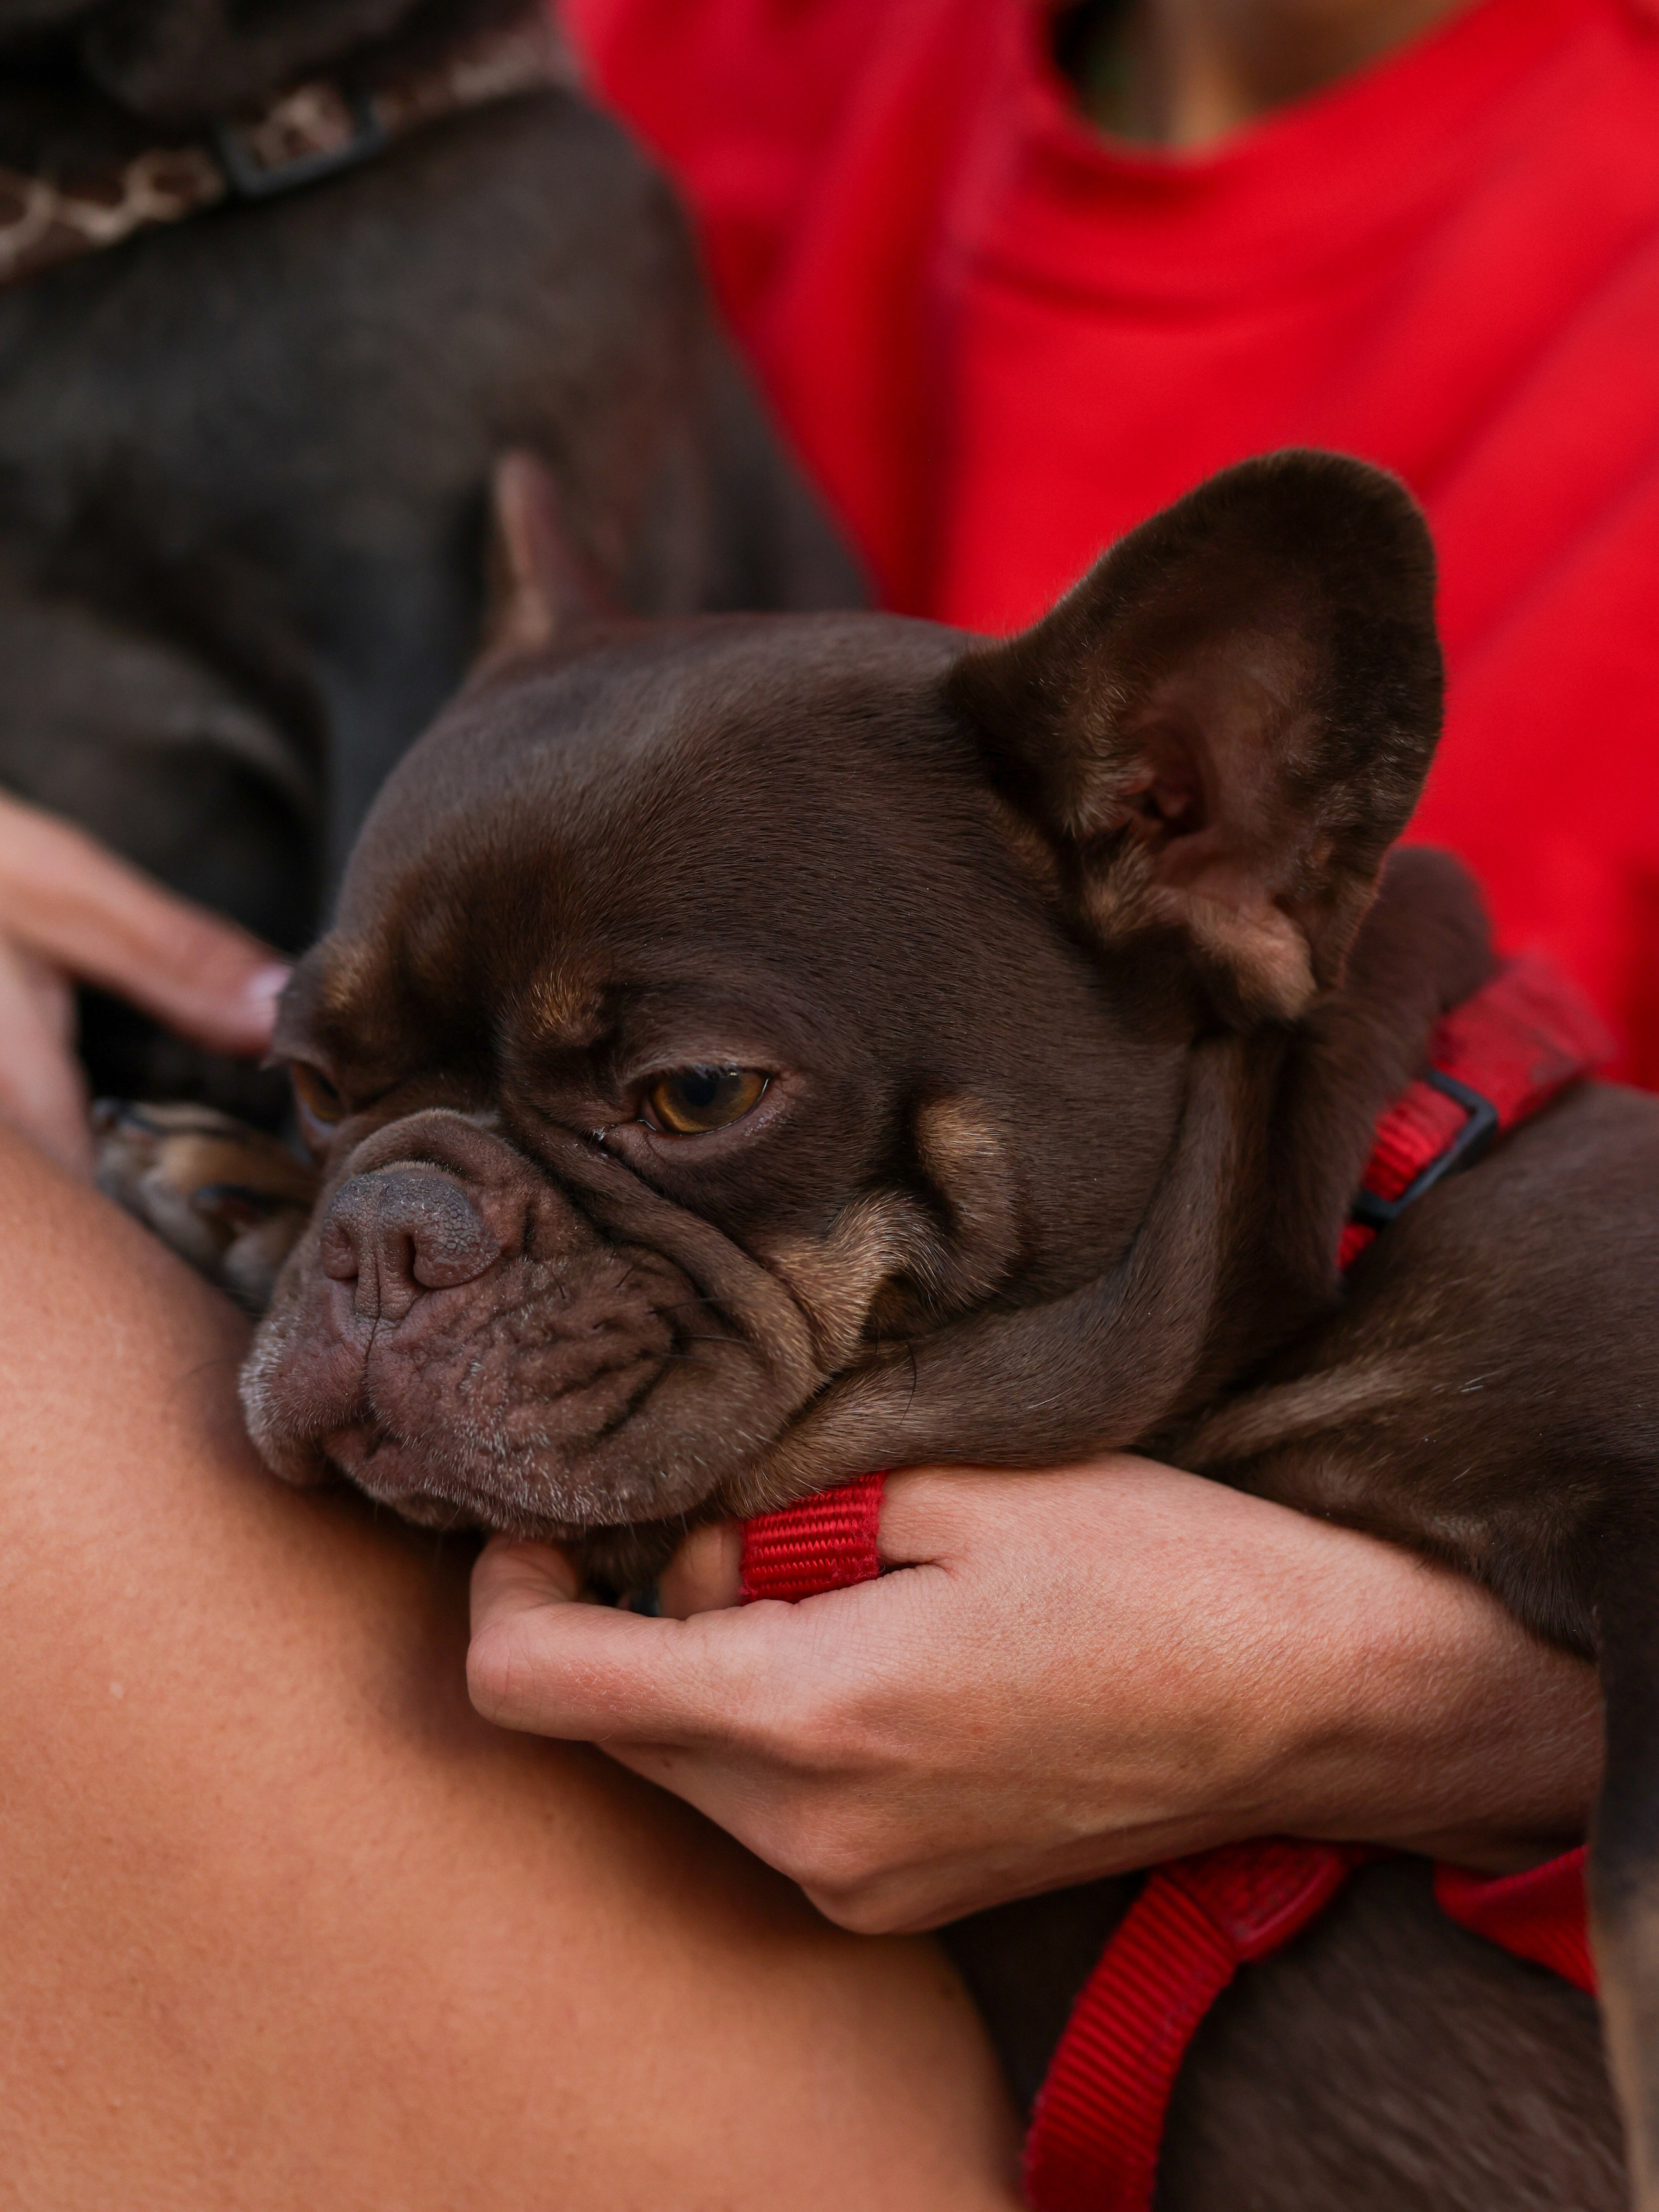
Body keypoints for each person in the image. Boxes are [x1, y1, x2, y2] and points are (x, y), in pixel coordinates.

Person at [0, 0, 1643, 2195]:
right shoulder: (669, 78)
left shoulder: (1519, 1258)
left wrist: (1394, 1705)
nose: (391, 1239)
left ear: (1216, 832)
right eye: (338, 1102)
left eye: (679, 1099)